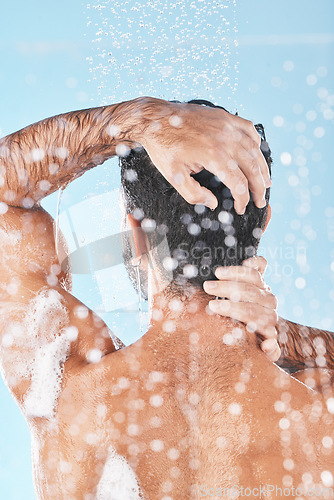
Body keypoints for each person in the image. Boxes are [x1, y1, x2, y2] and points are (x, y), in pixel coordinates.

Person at [0, 97, 333, 499]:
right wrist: (289, 340)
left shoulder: (69, 396)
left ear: (136, 232)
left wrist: (134, 121)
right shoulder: (320, 419)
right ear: (262, 223)